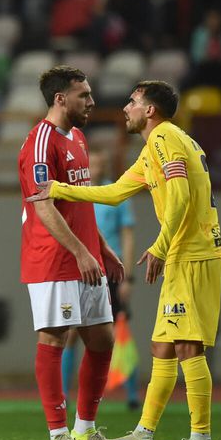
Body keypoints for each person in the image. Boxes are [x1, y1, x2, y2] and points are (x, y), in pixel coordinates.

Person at [29, 80, 221, 440]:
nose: (125, 109)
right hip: (186, 253)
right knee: (162, 347)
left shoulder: (166, 137)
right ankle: (144, 434)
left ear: (150, 110)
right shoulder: (157, 146)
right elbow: (115, 193)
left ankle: (201, 438)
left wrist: (160, 247)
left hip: (192, 253)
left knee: (186, 345)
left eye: (133, 102)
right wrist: (59, 189)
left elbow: (181, 196)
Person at [18, 67, 120, 440]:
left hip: (84, 254)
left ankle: (86, 430)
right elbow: (44, 206)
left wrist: (100, 246)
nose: (92, 102)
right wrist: (80, 250)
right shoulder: (40, 142)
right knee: (55, 337)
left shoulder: (77, 136)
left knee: (102, 338)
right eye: (84, 95)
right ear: (60, 98)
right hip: (55, 258)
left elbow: (79, 202)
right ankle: (58, 434)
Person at [62, 148, 139, 411]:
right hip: (81, 269)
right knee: (71, 331)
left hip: (111, 270)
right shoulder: (75, 193)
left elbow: (127, 236)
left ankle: (131, 394)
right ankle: (64, 394)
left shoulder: (115, 193)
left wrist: (129, 276)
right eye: (91, 163)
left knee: (119, 330)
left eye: (100, 162)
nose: (96, 167)